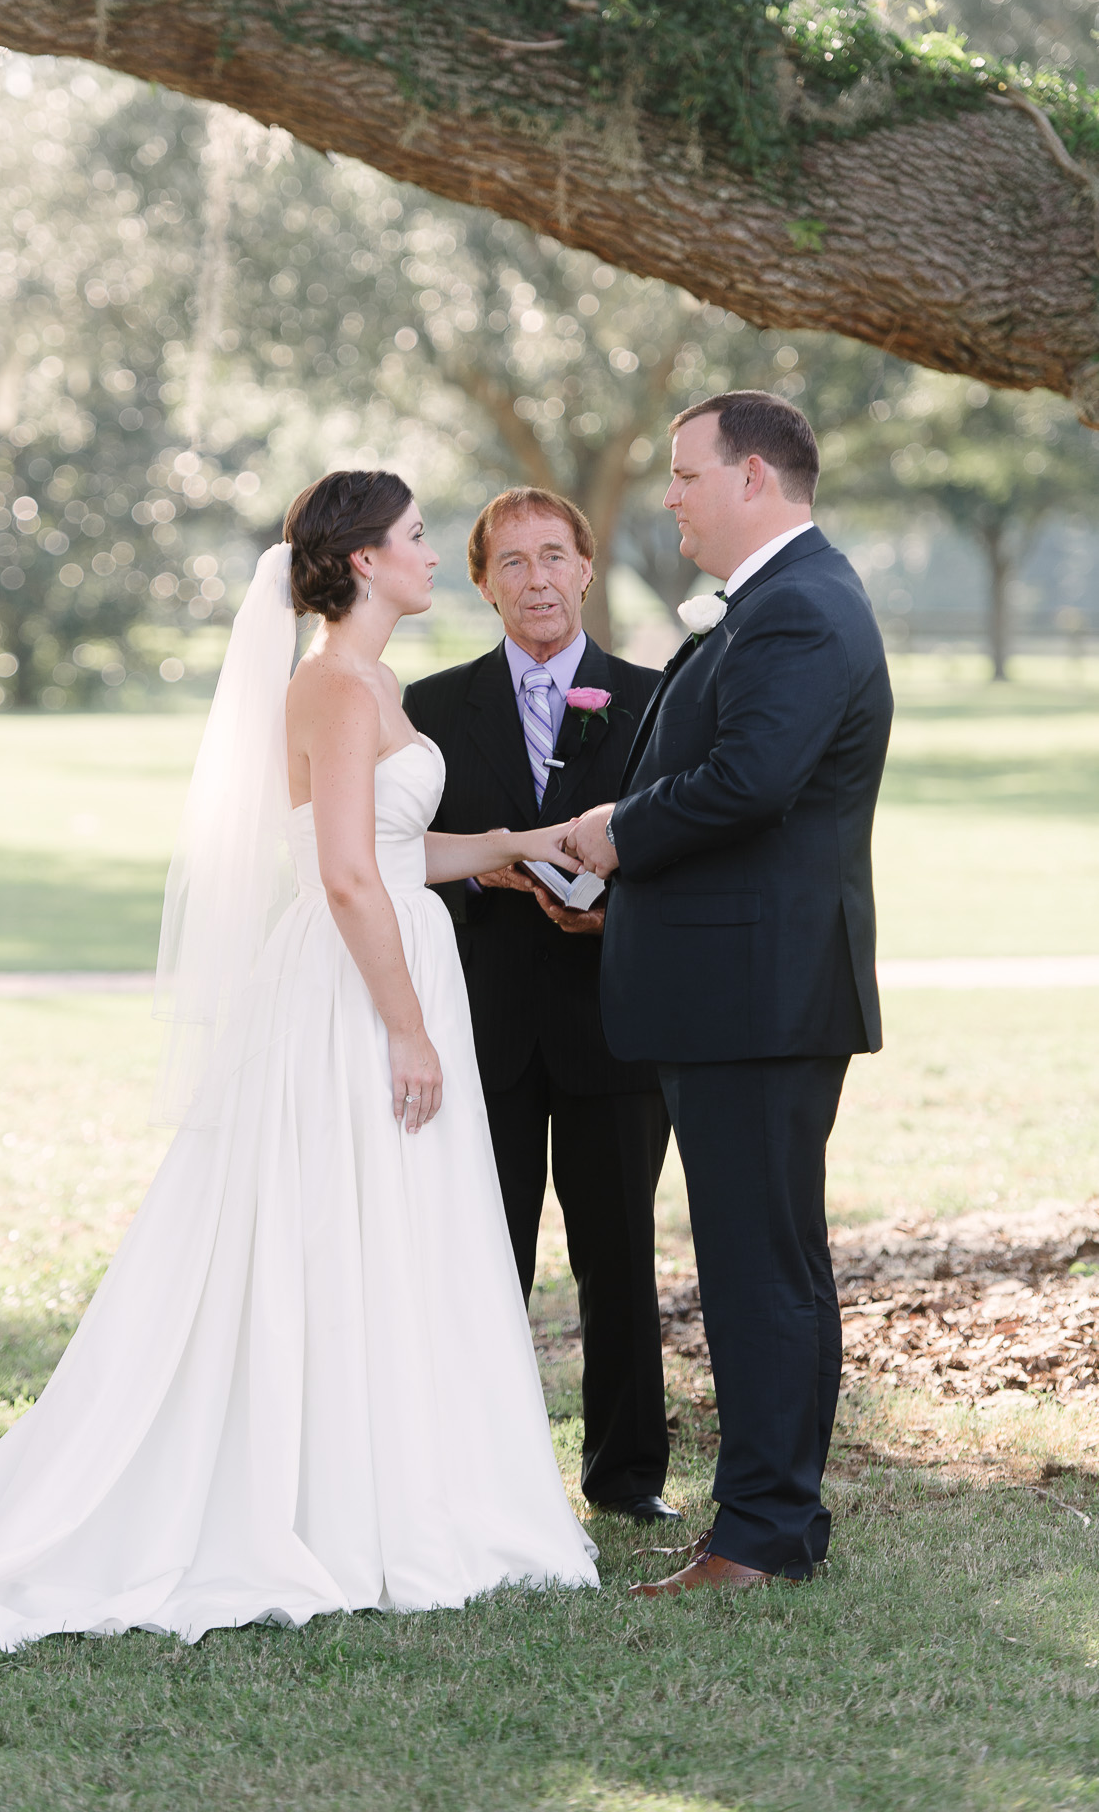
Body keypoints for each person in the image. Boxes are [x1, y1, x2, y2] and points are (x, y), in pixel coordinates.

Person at [0, 470, 596, 1650]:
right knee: (336, 1220)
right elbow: (345, 876)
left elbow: (395, 848)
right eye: (415, 537)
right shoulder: (333, 688)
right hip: (357, 984)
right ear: (358, 562)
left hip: (392, 954)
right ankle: (328, 1497)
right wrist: (406, 1024)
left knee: (390, 1226)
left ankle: (403, 1474)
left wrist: (513, 842)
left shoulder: (376, 681)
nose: (434, 555)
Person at [569, 391, 893, 1594]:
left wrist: (613, 832)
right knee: (778, 1262)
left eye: (686, 473)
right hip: (748, 982)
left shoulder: (800, 606)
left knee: (759, 1267)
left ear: (754, 477)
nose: (672, 495)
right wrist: (618, 873)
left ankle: (758, 1533)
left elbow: (750, 780)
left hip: (756, 994)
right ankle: (779, 1523)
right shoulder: (781, 600)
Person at [404, 488, 677, 1525]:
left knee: (618, 1257)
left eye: (553, 556)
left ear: (587, 567)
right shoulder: (429, 706)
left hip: (615, 1021)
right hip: (487, 1024)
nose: (536, 580)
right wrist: (485, 876)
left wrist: (616, 910)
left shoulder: (654, 698)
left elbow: (681, 844)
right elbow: (396, 855)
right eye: (510, 562)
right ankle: (482, 1478)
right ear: (482, 583)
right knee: (486, 1256)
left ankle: (626, 1478)